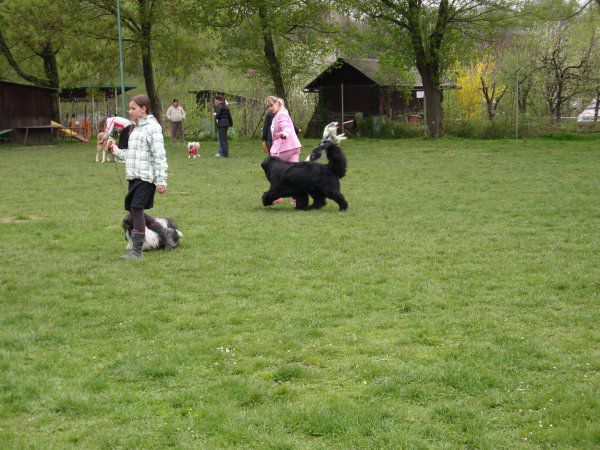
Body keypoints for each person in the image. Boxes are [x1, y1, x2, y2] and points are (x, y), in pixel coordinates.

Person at [108, 95, 175, 260]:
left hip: (146, 178)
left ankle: (137, 252)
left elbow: (159, 156)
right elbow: (130, 155)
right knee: (133, 212)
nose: (130, 111)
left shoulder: (153, 128)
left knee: (136, 210)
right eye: (129, 108)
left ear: (144, 108)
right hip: (133, 177)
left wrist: (161, 181)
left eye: (133, 108)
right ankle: (165, 233)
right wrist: (114, 149)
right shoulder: (135, 129)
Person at [264, 96, 302, 204]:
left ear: (277, 103)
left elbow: (286, 126)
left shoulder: (281, 114)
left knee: (272, 170)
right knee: (295, 173)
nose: (270, 108)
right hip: (294, 147)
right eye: (268, 107)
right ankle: (296, 197)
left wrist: (284, 133)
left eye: (272, 105)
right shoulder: (283, 112)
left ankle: (277, 196)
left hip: (283, 148)